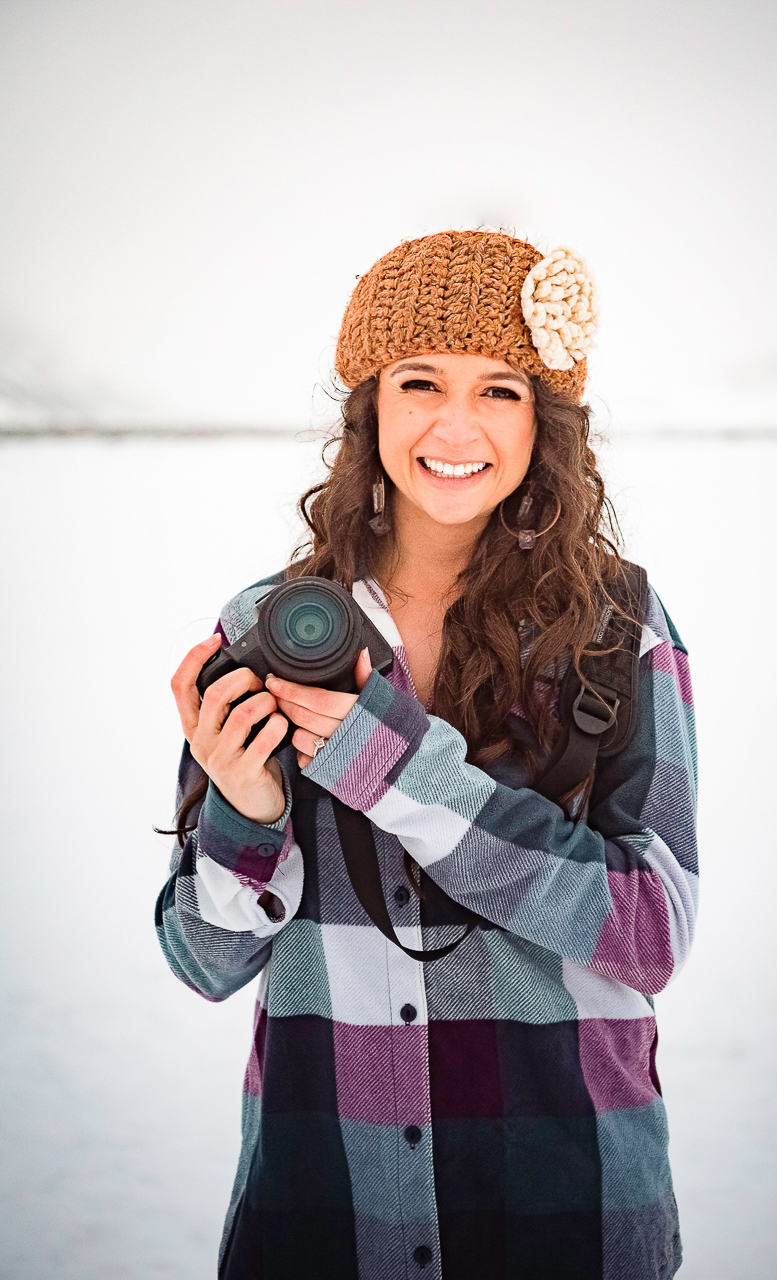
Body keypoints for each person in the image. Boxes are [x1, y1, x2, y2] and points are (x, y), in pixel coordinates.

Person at [157, 230, 698, 1280]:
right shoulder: (270, 628)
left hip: (572, 1207)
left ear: (543, 421)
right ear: (369, 408)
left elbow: (652, 936)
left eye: (499, 389)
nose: (456, 426)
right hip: (324, 1204)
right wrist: (243, 810)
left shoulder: (616, 625)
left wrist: (403, 775)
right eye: (420, 382)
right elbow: (204, 959)